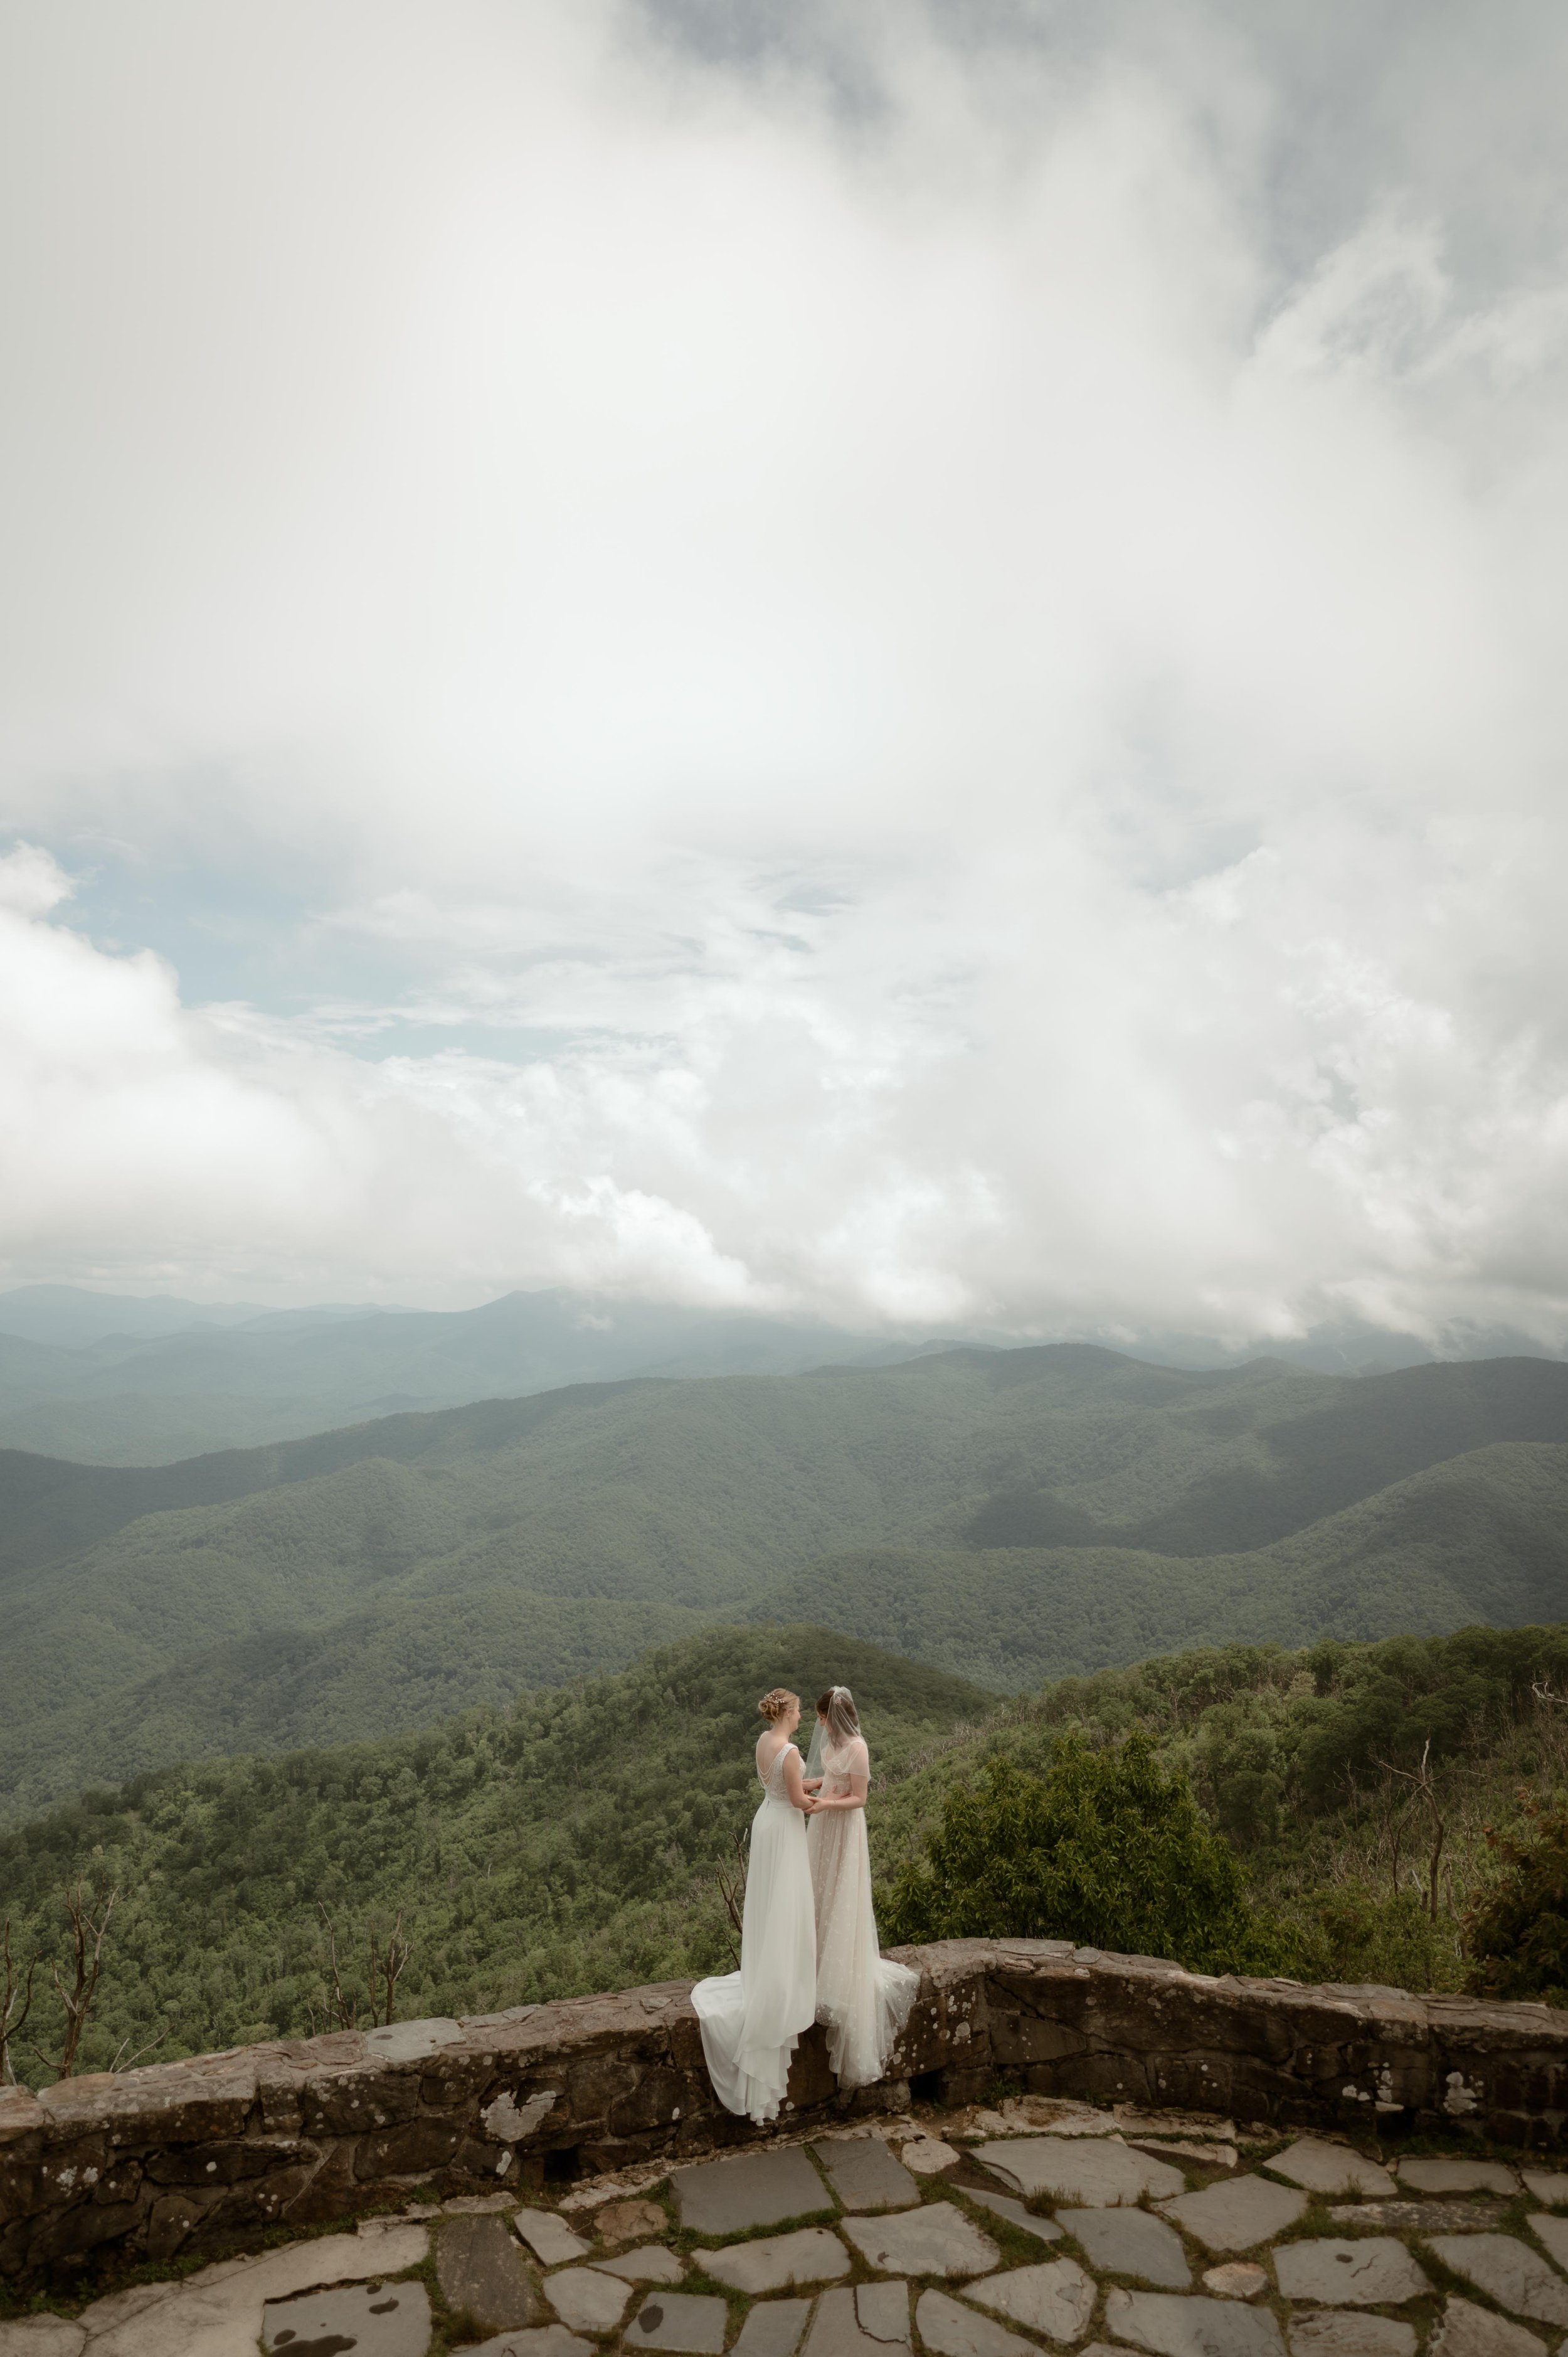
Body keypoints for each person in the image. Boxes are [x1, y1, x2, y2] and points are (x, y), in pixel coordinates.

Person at [691, 1686, 818, 2124]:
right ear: (788, 1712)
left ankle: (771, 1970)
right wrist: (832, 1802)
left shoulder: (765, 1743)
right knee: (786, 1904)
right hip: (785, 1828)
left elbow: (784, 1786)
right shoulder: (793, 1750)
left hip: (766, 1821)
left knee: (770, 1905)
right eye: (800, 1710)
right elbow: (800, 1800)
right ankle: (783, 1983)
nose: (803, 1716)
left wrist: (813, 1785)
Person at [804, 1684, 919, 2088]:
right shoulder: (834, 1743)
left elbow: (858, 1798)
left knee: (840, 1893)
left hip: (843, 1829)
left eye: (821, 1717)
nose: (818, 1724)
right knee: (817, 1890)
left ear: (833, 1716)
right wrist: (812, 1786)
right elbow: (833, 1780)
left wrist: (826, 1802)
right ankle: (814, 1965)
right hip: (822, 1824)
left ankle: (838, 1976)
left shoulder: (858, 1747)